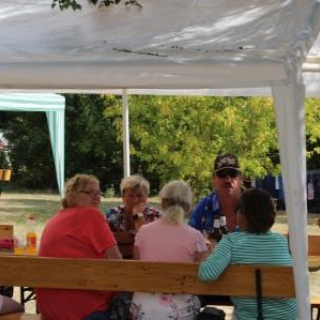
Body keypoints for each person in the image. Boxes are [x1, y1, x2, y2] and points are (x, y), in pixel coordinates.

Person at [198, 188, 298, 320]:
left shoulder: (231, 241)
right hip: (288, 317)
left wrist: (205, 255)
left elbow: (206, 274)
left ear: (243, 215)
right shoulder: (281, 241)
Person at [36, 174, 122, 320]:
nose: (96, 197)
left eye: (98, 193)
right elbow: (117, 260)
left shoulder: (57, 217)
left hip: (50, 308)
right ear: (72, 195)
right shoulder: (91, 214)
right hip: (83, 309)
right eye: (89, 192)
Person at [131, 180, 208, 320]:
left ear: (163, 203)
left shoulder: (143, 231)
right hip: (180, 311)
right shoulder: (195, 236)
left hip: (143, 309)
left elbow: (138, 264)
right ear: (188, 206)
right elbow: (201, 277)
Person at [106, 175, 161, 259]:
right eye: (131, 196)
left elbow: (147, 244)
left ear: (146, 197)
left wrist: (138, 215)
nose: (135, 200)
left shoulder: (155, 216)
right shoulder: (112, 214)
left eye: (139, 196)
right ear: (123, 197)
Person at [189, 153, 243, 235]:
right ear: (213, 178)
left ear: (241, 178)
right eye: (222, 174)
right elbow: (189, 241)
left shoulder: (255, 207)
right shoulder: (202, 208)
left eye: (233, 174)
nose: (228, 180)